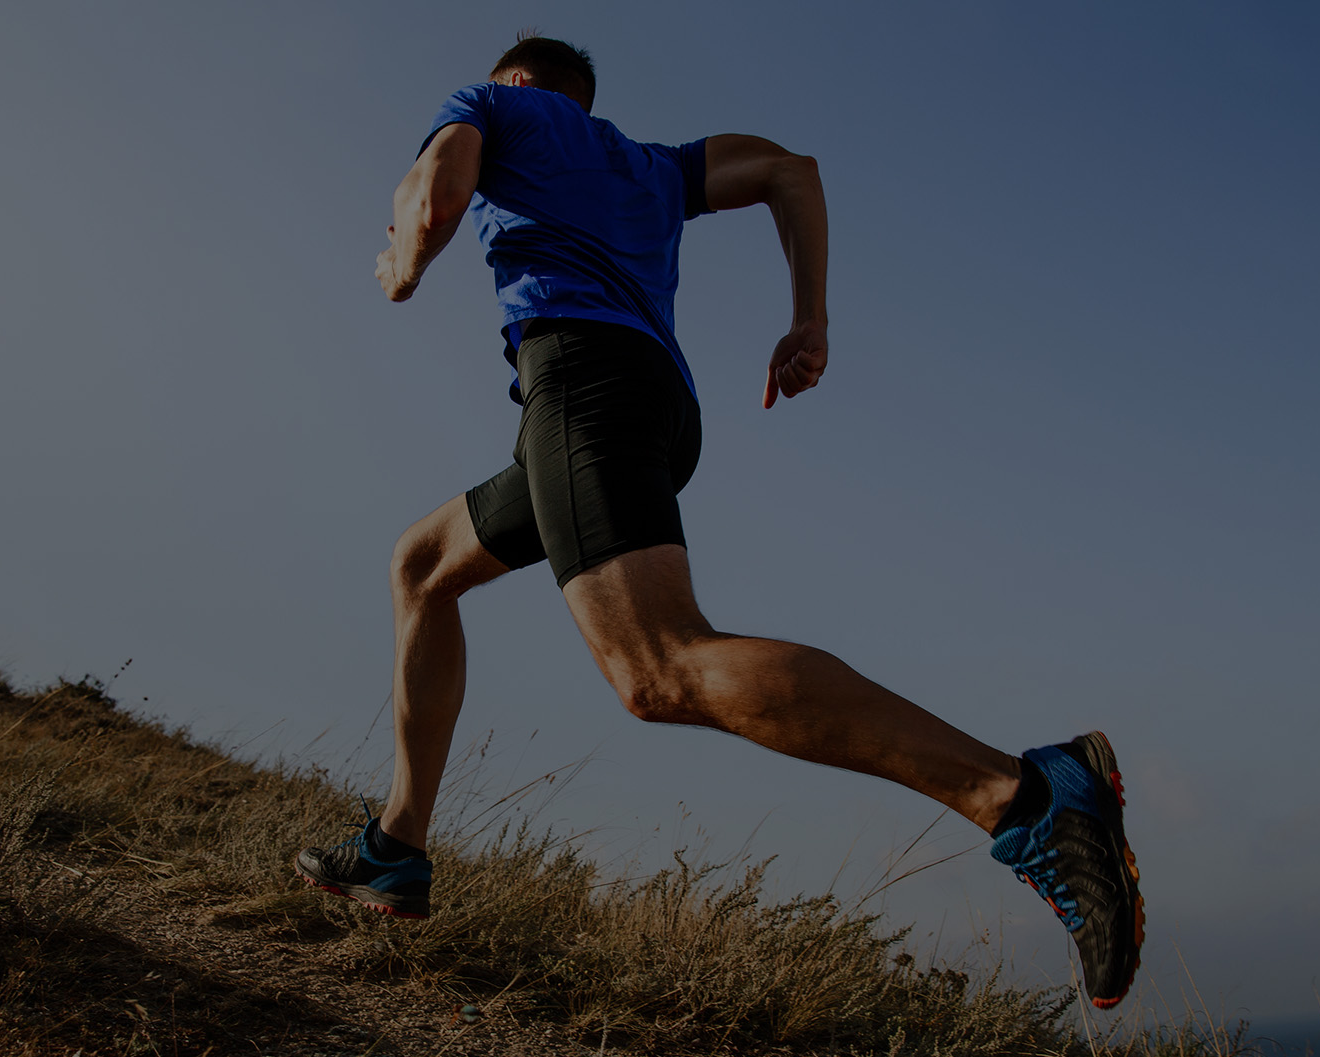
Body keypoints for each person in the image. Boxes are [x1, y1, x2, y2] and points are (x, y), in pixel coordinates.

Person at [297, 34, 1145, 1008]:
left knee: (656, 668)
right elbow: (793, 170)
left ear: (519, 81)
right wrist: (810, 316)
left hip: (583, 390)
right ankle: (399, 846)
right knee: (422, 565)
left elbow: (434, 193)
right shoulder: (654, 166)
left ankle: (1025, 797)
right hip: (652, 408)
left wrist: (404, 260)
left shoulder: (495, 105)